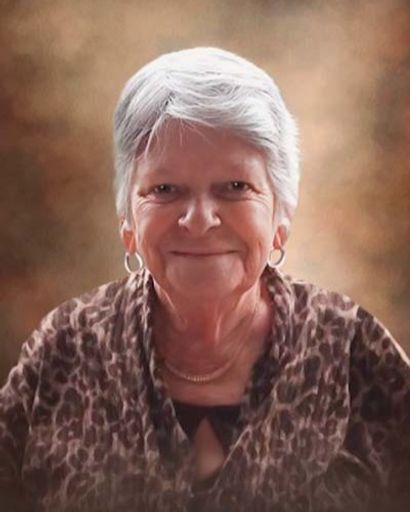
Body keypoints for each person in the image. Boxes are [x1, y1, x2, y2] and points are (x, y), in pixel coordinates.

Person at [0, 47, 409, 512]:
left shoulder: (352, 351)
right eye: (165, 189)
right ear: (127, 222)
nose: (199, 220)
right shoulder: (67, 347)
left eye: (235, 187)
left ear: (280, 217)